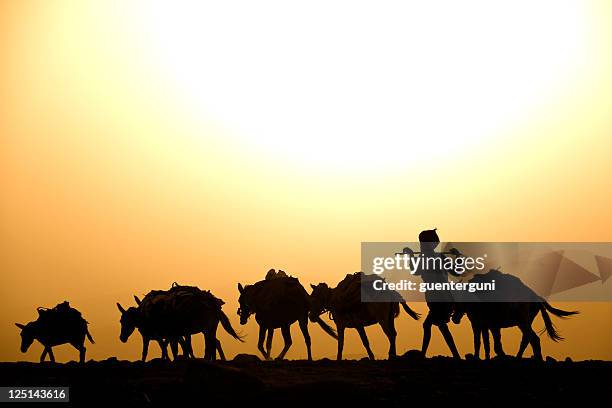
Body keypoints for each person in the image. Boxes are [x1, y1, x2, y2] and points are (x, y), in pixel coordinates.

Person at [415, 228, 461, 359]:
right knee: (430, 325)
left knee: (439, 325)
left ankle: (455, 355)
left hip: (440, 297)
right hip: (439, 297)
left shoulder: (433, 257)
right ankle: (425, 354)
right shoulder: (436, 257)